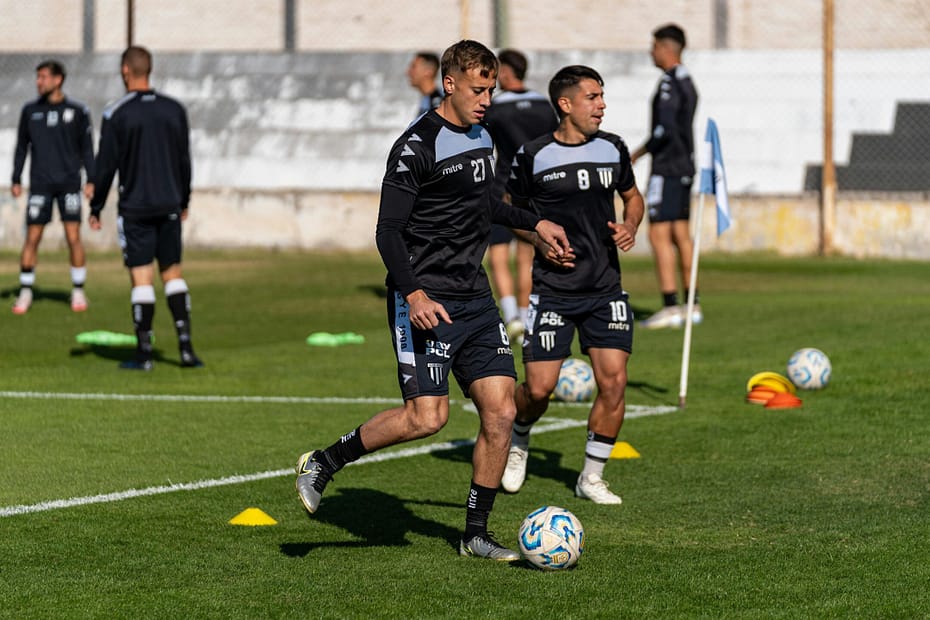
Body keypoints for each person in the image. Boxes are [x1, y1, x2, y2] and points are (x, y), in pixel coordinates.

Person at [295, 40, 571, 561]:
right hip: (423, 299)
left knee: (501, 412)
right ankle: (325, 462)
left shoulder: (483, 136)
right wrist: (414, 292)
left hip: (474, 297)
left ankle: (475, 533)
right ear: (449, 85)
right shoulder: (415, 146)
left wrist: (536, 223)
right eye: (477, 89)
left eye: (491, 89)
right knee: (427, 419)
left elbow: (488, 201)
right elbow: (388, 232)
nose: (487, 99)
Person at [501, 65, 645, 505]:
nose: (602, 105)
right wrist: (539, 241)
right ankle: (519, 435)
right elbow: (513, 212)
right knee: (540, 389)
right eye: (593, 97)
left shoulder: (614, 148)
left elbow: (632, 197)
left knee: (615, 383)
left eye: (602, 97)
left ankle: (591, 477)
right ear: (565, 104)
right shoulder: (533, 155)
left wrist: (630, 225)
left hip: (605, 288)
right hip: (553, 291)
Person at [88, 46, 203, 371]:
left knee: (142, 279)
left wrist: (96, 206)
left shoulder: (117, 112)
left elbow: (106, 164)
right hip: (168, 205)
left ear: (126, 70)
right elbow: (184, 160)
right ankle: (185, 350)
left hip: (135, 209)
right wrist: (184, 200)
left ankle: (144, 354)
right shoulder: (174, 109)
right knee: (174, 275)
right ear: (148, 69)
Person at [482, 49, 559, 344]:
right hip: (536, 188)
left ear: (505, 72)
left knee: (499, 254)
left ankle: (511, 317)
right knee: (527, 253)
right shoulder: (544, 105)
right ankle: (528, 319)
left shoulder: (495, 106)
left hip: (502, 186)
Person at [10, 60, 95, 314]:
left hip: (69, 183)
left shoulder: (78, 111)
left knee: (73, 237)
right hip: (40, 184)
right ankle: (25, 292)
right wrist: (16, 178)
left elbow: (88, 149)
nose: (39, 82)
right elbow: (21, 147)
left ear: (58, 80)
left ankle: (78, 291)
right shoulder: (30, 111)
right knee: (32, 238)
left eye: (44, 77)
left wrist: (91, 179)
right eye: (37, 77)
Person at [631, 23, 700, 329]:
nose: (651, 51)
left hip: (668, 167)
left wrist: (638, 153)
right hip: (684, 165)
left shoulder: (670, 83)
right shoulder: (688, 81)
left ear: (666, 48)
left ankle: (671, 306)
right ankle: (692, 304)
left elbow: (664, 130)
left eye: (654, 45)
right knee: (680, 234)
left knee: (659, 234)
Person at [406, 51, 444, 118]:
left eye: (413, 67)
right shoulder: (427, 99)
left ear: (428, 71)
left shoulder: (437, 102)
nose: (408, 72)